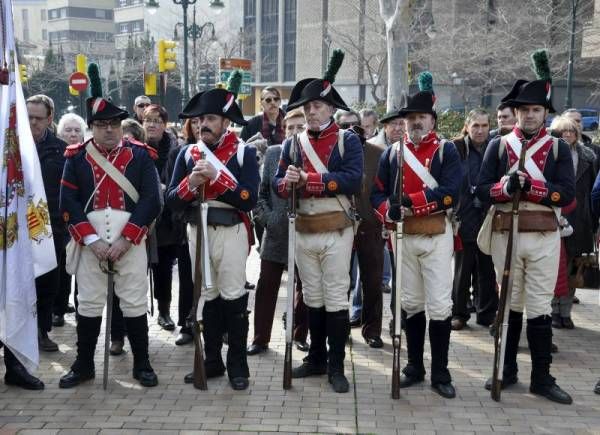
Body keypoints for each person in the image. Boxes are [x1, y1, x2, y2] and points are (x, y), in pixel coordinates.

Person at [476, 50, 575, 404]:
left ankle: (542, 378)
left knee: (538, 305)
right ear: (516, 113)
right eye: (524, 110)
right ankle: (507, 370)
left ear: (544, 113)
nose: (530, 115)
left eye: (536, 110)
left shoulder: (559, 149)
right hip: (506, 232)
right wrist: (505, 186)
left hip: (544, 234)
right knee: (509, 304)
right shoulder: (498, 145)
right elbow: (481, 189)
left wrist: (532, 187)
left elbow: (566, 194)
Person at [58, 88, 162, 388]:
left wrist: (126, 239)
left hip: (129, 243)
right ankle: (84, 364)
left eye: (114, 124)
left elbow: (151, 200)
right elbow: (69, 202)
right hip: (91, 245)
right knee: (88, 303)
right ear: (92, 127)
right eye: (102, 125)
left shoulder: (141, 156)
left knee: (133, 302)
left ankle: (142, 363)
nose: (108, 130)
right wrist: (92, 241)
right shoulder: (76, 157)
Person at [273, 50, 363, 394]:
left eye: (318, 107)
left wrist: (309, 180)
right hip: (305, 227)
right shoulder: (292, 143)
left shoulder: (347, 140)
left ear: (331, 110)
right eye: (308, 107)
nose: (312, 111)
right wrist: (288, 181)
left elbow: (353, 180)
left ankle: (336, 365)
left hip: (337, 226)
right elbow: (279, 186)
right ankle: (316, 359)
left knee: (337, 296)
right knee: (313, 296)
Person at [370, 72, 462, 399]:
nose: (414, 123)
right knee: (410, 304)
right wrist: (388, 211)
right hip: (403, 237)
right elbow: (377, 194)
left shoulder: (446, 151)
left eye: (421, 117)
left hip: (436, 235)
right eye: (410, 118)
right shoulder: (391, 154)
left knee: (439, 305)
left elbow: (452, 193)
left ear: (432, 120)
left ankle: (440, 372)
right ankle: (414, 366)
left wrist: (410, 203)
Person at [166, 87, 259, 391]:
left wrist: (217, 180)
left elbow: (248, 199)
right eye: (199, 119)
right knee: (208, 296)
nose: (202, 124)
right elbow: (171, 201)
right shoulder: (186, 153)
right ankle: (213, 362)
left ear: (225, 122)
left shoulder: (243, 152)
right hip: (198, 232)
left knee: (233, 297)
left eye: (209, 118)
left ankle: (237, 366)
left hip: (230, 230)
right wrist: (191, 183)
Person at [247, 108, 309, 356]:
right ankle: (260, 339)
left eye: (299, 127)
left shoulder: (312, 156)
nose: (294, 132)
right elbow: (260, 196)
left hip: (305, 233)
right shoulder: (274, 154)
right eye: (290, 127)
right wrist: (269, 220)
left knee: (303, 288)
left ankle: (299, 334)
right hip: (275, 234)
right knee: (266, 287)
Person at [26, 95, 67, 353]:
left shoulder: (61, 150)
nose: (32, 123)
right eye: (28, 117)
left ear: (49, 119)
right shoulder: (10, 146)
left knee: (48, 283)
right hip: (17, 228)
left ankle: (42, 331)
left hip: (51, 229)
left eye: (38, 118)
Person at [451, 109, 498, 330]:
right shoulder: (456, 147)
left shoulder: (496, 147)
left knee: (487, 269)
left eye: (484, 125)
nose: (480, 130)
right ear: (467, 126)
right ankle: (459, 313)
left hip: (489, 215)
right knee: (462, 270)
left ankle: (487, 313)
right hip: (464, 214)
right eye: (475, 125)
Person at [549, 115, 597, 329]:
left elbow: (593, 191)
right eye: (563, 131)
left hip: (580, 218)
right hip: (555, 216)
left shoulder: (589, 157)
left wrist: (594, 223)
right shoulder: (550, 156)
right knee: (552, 267)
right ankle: (552, 311)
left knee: (573, 267)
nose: (567, 135)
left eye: (571, 131)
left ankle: (565, 311)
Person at [142, 104, 181, 333]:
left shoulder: (174, 149)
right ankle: (135, 312)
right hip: (142, 218)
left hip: (166, 220)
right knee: (137, 269)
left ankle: (164, 311)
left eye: (157, 120)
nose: (152, 125)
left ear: (164, 125)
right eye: (148, 120)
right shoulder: (136, 147)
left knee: (163, 268)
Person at [52, 114, 86, 327]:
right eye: (68, 130)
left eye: (76, 130)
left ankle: (82, 310)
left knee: (83, 270)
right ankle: (58, 308)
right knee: (62, 269)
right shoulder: (56, 155)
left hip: (83, 221)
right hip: (59, 221)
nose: (72, 134)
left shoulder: (88, 155)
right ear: (60, 133)